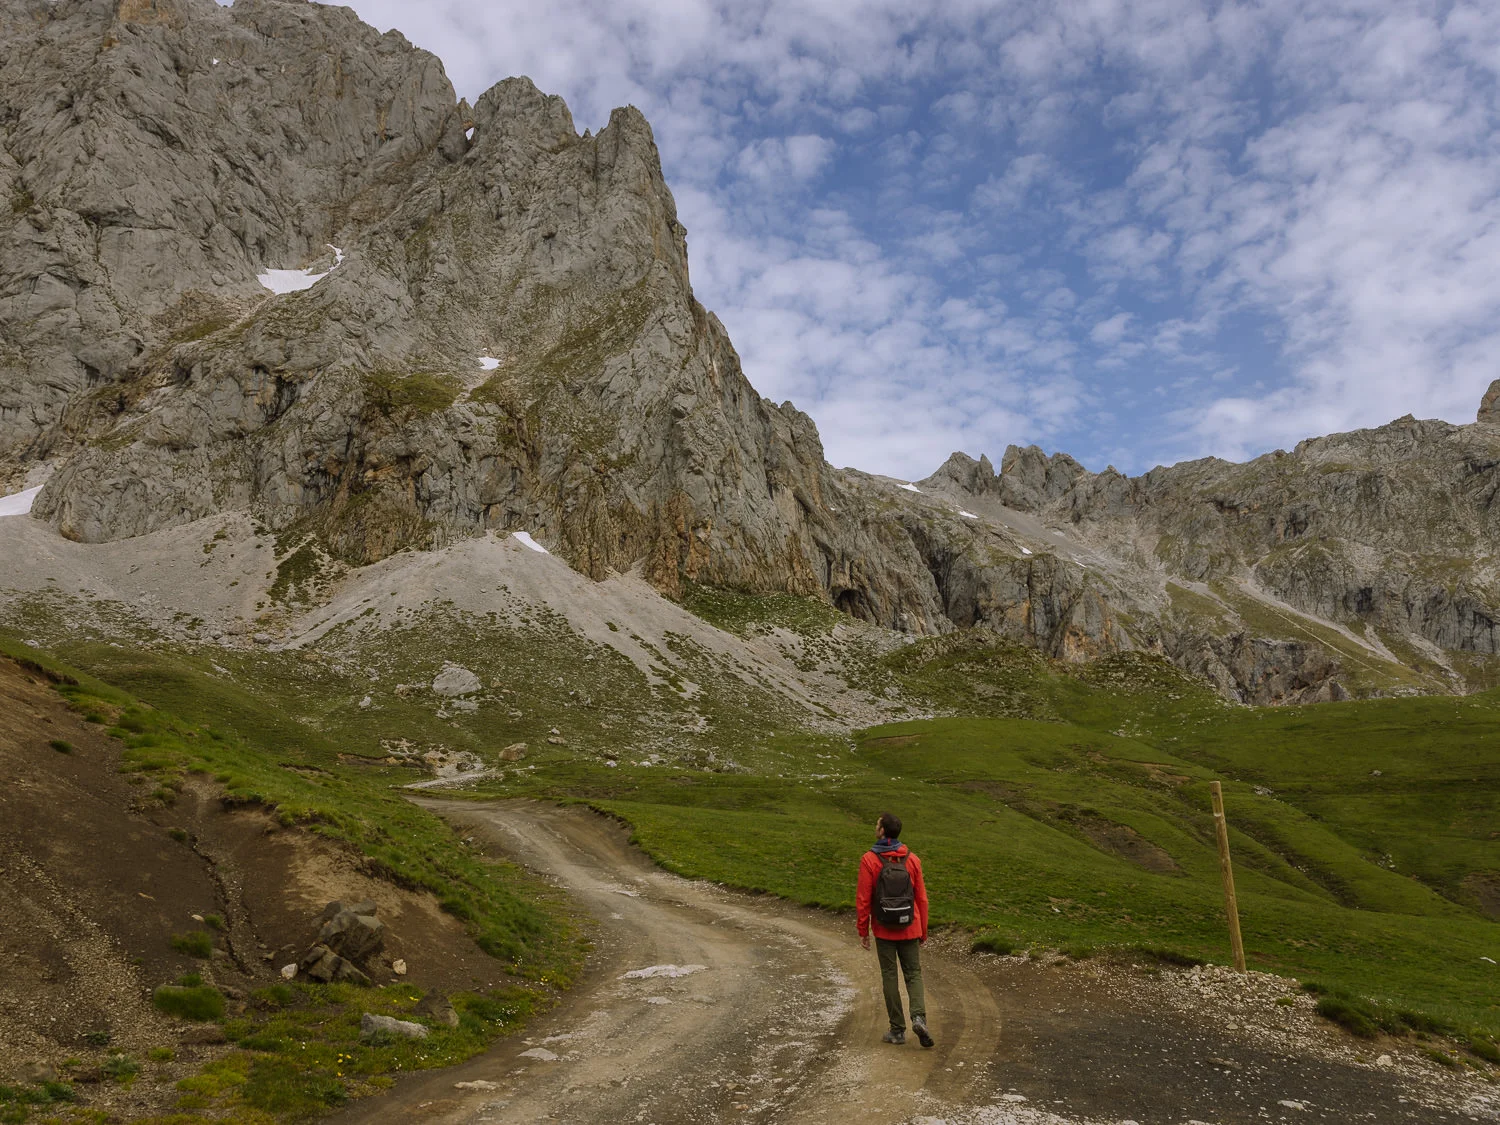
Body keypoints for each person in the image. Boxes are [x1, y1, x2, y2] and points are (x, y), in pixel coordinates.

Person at [856, 811, 932, 1047]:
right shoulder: (913, 859)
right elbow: (922, 898)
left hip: (884, 928)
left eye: (877, 824)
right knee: (913, 973)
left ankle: (897, 1030)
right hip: (910, 925)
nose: (875, 827)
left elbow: (863, 899)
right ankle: (918, 1018)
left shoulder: (869, 860)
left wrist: (863, 930)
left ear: (882, 831)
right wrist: (923, 930)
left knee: (890, 975)